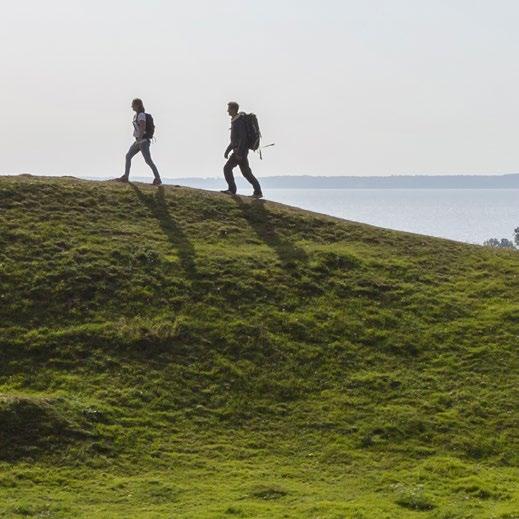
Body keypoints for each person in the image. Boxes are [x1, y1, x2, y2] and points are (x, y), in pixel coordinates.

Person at [221, 102, 263, 198]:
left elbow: (242, 138)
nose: (227, 111)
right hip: (240, 151)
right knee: (246, 173)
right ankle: (258, 191)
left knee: (227, 169)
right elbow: (234, 140)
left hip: (240, 152)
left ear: (234, 109)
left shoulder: (238, 121)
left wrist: (239, 153)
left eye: (229, 109)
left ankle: (232, 190)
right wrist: (227, 151)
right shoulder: (235, 120)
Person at [116, 98, 162, 185]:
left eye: (133, 104)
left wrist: (140, 138)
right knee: (128, 156)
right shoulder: (137, 115)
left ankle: (158, 178)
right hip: (139, 141)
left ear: (137, 105)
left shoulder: (141, 115)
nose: (131, 106)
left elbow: (142, 126)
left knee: (148, 160)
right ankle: (126, 177)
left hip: (143, 141)